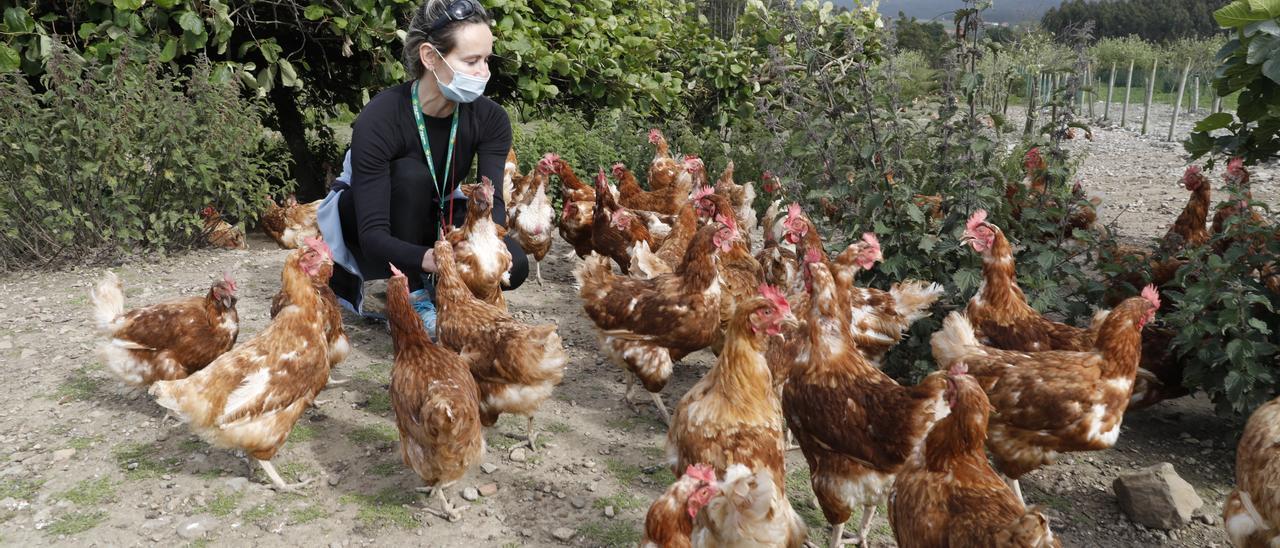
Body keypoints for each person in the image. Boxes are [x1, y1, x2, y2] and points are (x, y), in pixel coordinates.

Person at [317, 0, 527, 334]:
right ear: (430, 57)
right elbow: (373, 235)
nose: (484, 73)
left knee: (514, 267)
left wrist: (478, 248)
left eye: (486, 60)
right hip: (369, 219)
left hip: (435, 209)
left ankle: (441, 289)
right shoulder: (381, 118)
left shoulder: (491, 119)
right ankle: (413, 292)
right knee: (411, 176)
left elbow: (495, 210)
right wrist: (431, 259)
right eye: (471, 61)